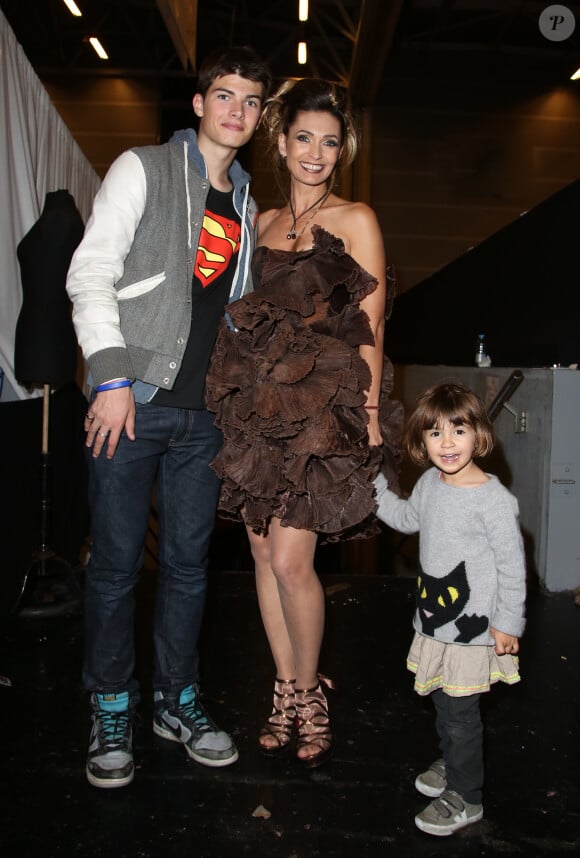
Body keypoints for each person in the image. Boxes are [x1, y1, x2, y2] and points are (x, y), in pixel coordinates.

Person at [65, 46, 272, 789]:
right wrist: (111, 375)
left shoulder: (245, 203)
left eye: (251, 101)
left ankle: (175, 699)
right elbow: (91, 272)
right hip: (134, 404)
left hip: (204, 419)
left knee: (188, 569)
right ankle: (111, 704)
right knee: (117, 569)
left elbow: (234, 313)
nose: (236, 111)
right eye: (225, 95)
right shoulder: (142, 167)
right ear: (198, 102)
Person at [205, 78, 403, 768]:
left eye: (328, 141)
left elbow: (371, 325)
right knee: (261, 554)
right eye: (302, 139)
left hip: (323, 409)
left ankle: (313, 693)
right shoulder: (259, 224)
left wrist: (371, 414)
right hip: (261, 406)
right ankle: (285, 688)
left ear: (340, 147)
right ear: (280, 143)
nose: (315, 153)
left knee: (293, 560)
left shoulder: (356, 219)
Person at [373, 382, 527, 835]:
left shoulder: (493, 500)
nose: (447, 443)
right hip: (435, 626)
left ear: (478, 435)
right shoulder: (430, 484)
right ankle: (452, 762)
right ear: (421, 442)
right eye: (434, 433)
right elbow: (407, 520)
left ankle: (467, 796)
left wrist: (507, 622)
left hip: (474, 633)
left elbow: (512, 566)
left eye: (458, 431)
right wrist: (375, 489)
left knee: (461, 714)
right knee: (443, 702)